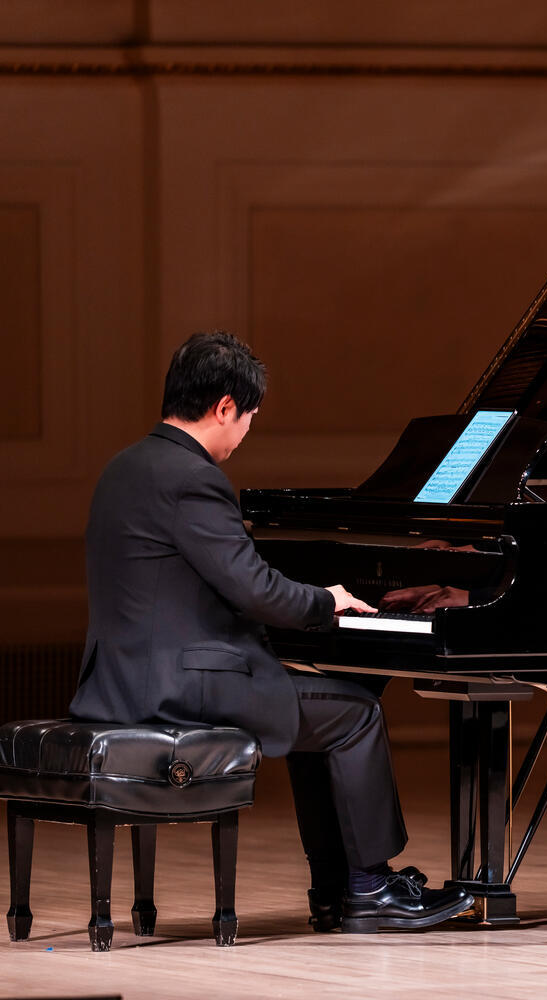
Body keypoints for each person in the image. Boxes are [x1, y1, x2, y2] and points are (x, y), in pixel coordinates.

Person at [68, 331, 473, 934]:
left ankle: (333, 889)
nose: (246, 432)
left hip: (119, 683)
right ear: (225, 406)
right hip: (181, 689)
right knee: (354, 714)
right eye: (249, 417)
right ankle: (370, 887)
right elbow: (254, 588)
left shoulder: (124, 467)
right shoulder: (192, 478)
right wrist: (327, 601)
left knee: (318, 707)